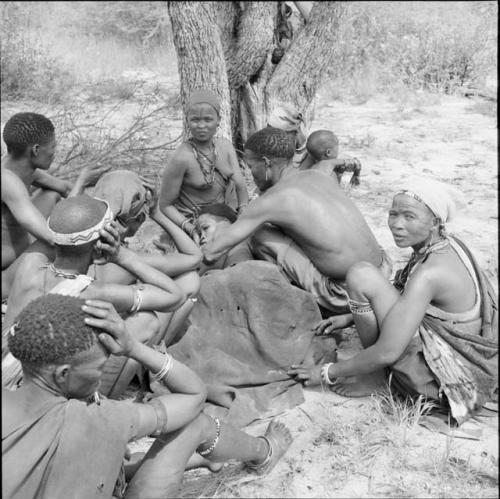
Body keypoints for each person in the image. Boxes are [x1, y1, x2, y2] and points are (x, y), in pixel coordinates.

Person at [2, 294, 293, 498]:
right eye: (99, 369)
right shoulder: (102, 420)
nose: (100, 378)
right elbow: (194, 395)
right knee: (194, 425)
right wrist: (133, 348)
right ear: (63, 374)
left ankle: (200, 460)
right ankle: (264, 453)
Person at [288, 177, 498, 425]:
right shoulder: (447, 244)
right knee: (364, 276)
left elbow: (388, 351)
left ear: (435, 222)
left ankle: (377, 379)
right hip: (459, 355)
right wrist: (349, 317)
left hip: (443, 378)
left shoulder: (430, 273)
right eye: (393, 214)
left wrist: (326, 372)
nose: (397, 225)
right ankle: (376, 371)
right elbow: (409, 297)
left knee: (361, 275)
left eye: (409, 217)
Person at [202, 126, 391, 320]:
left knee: (256, 234)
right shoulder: (319, 173)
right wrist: (351, 163)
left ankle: (289, 305)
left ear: (266, 163)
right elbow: (331, 163)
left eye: (251, 167)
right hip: (382, 274)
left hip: (345, 293)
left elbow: (210, 254)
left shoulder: (271, 201)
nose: (251, 174)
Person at [2, 194, 185, 390]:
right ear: (100, 246)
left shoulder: (31, 263)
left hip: (6, 373)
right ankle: (103, 398)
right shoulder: (91, 292)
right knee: (147, 320)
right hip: (29, 389)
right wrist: (122, 256)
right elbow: (175, 297)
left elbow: (65, 223)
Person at [1, 112, 106, 298]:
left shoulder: (21, 166)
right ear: (35, 150)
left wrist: (99, 211)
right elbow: (55, 237)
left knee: (51, 194)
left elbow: (64, 188)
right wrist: (81, 181)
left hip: (19, 253)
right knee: (64, 243)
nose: (54, 151)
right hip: (5, 279)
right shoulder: (7, 181)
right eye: (53, 146)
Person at [92, 169, 202, 347]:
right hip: (110, 352)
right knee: (190, 280)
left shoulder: (79, 242)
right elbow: (194, 257)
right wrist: (157, 213)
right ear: (139, 219)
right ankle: (155, 356)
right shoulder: (124, 257)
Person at [159, 90, 249, 243]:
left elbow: (241, 186)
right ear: (187, 120)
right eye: (195, 120)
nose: (201, 126)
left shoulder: (225, 147)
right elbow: (165, 205)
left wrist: (243, 214)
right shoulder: (182, 157)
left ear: (218, 120)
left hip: (222, 217)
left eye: (208, 120)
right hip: (196, 224)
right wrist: (191, 229)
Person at [195, 203, 253, 275]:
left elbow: (242, 274)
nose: (202, 237)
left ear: (225, 223)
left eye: (206, 228)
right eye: (199, 234)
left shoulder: (239, 244)